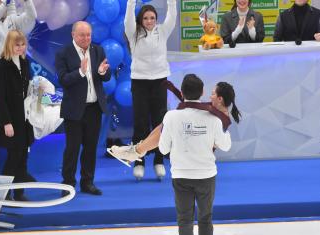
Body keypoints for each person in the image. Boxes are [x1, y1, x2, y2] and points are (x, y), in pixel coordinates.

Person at [157, 74, 236, 235]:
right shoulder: (213, 118)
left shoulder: (171, 117)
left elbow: (163, 148)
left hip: (181, 175)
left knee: (184, 221)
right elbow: (226, 146)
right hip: (206, 175)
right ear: (202, 93)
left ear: (182, 93)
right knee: (205, 218)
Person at [108, 79, 241, 164]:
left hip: (194, 149)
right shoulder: (214, 109)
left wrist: (175, 91)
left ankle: (137, 151)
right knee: (164, 125)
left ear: (220, 99)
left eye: (213, 93)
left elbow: (194, 105)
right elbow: (192, 102)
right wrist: (175, 90)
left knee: (168, 124)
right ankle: (137, 150)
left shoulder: (222, 117)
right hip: (190, 141)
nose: (210, 96)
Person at [55, 21, 111, 197]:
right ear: (73, 35)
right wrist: (80, 72)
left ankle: (88, 182)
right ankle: (68, 183)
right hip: (74, 109)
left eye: (88, 35)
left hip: (94, 108)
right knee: (72, 148)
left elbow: (106, 76)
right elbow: (63, 79)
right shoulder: (63, 53)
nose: (86, 38)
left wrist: (102, 72)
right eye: (82, 35)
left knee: (90, 148)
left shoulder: (97, 50)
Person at [124, 0, 176, 180]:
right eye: (145, 18)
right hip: (139, 82)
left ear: (156, 19)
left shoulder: (162, 31)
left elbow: (172, 15)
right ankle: (139, 161)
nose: (149, 21)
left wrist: (171, 2)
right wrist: (131, 3)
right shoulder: (133, 33)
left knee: (160, 122)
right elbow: (128, 19)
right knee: (140, 122)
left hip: (160, 81)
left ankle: (159, 160)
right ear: (140, 19)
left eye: (152, 17)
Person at [0, 0, 37, 175]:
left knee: (21, 138)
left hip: (14, 80)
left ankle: (20, 177)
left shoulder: (11, 20)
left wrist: (26, 1)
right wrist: (4, 3)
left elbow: (32, 18)